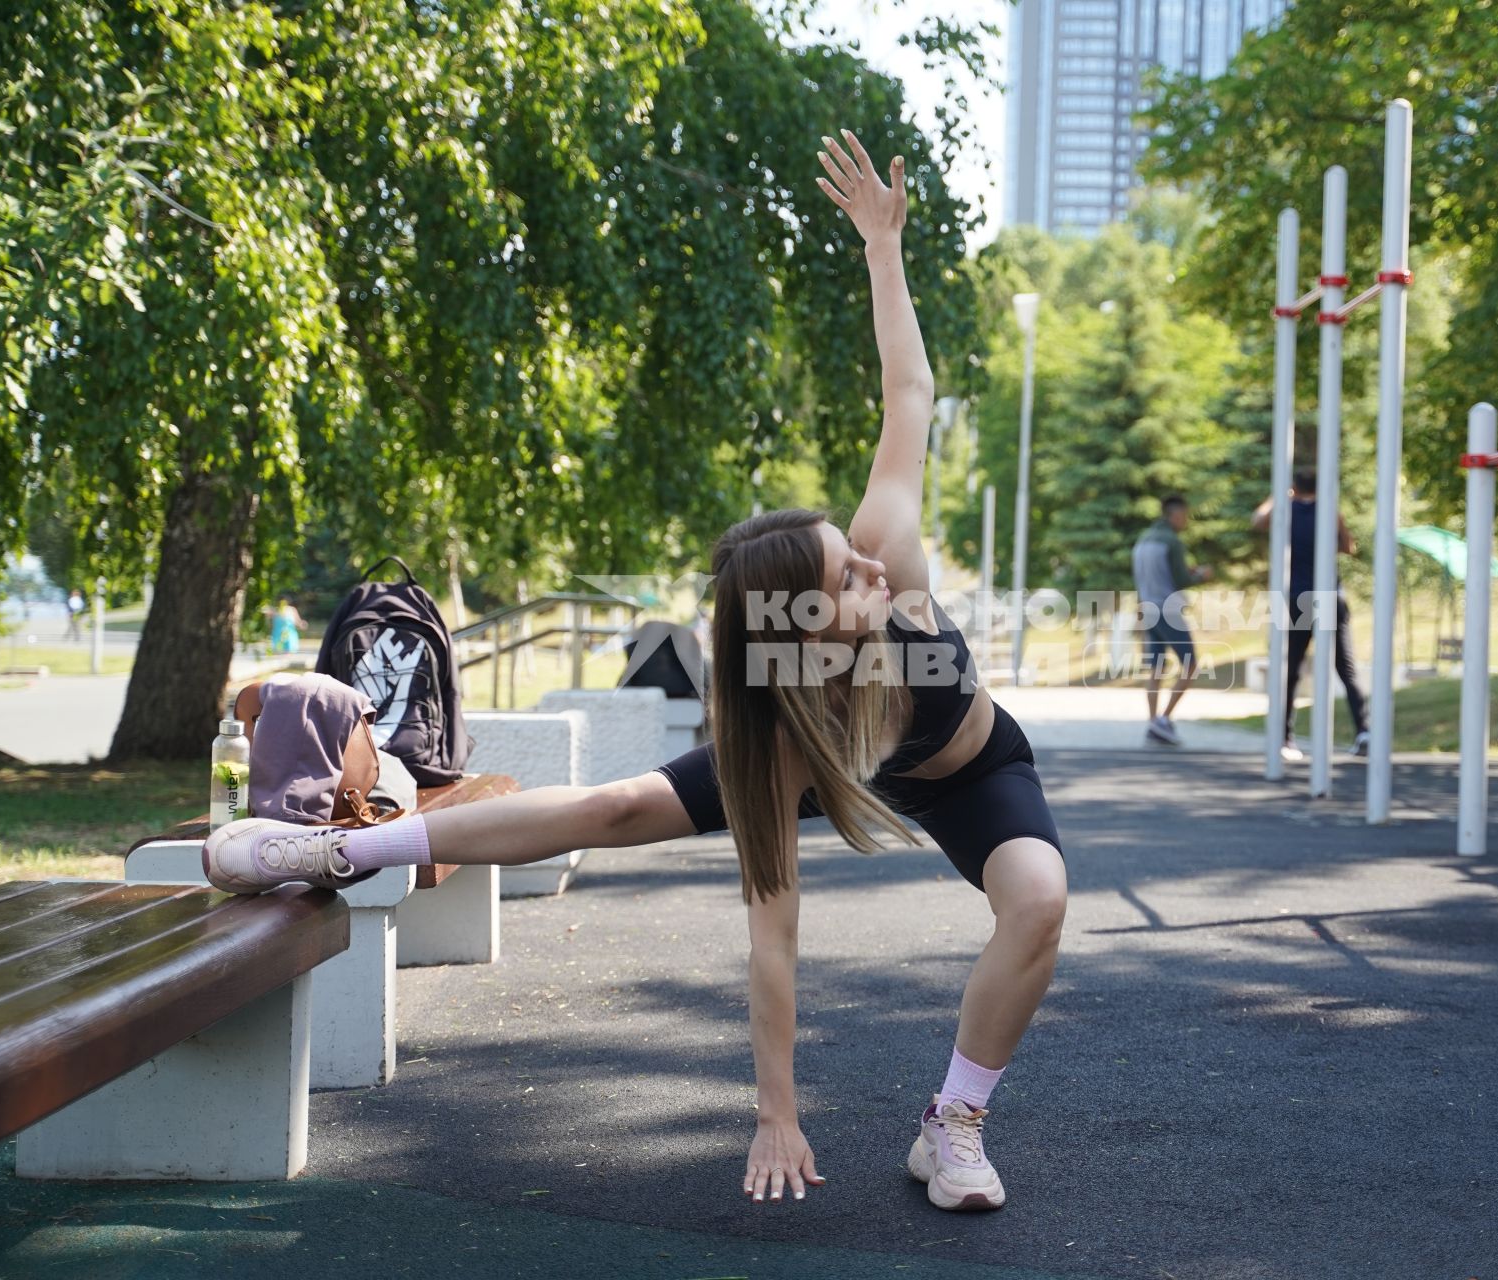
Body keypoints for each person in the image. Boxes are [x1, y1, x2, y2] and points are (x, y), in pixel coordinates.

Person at [202, 131, 1066, 1214]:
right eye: (846, 575)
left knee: (1037, 895)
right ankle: (339, 845)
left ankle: (953, 1125)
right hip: (823, 748)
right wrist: (776, 1108)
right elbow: (775, 939)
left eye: (855, 560)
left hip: (973, 770)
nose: (871, 568)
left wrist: (882, 251)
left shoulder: (893, 561)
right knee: (608, 806)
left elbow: (912, 393)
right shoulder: (781, 737)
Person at [1252, 468, 1369, 762]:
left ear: (1294, 487)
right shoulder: (1330, 511)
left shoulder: (1285, 511)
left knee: (1291, 669)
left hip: (1297, 598)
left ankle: (1285, 737)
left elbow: (1258, 521)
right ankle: (1364, 731)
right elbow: (1349, 546)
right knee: (1346, 667)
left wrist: (1277, 497)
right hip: (1329, 595)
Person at [1131, 494, 1211, 745]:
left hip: (1148, 608)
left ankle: (1153, 722)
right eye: (1185, 516)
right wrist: (1202, 575)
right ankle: (1164, 719)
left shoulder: (1143, 540)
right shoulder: (1172, 542)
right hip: (1168, 610)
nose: (1186, 521)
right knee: (1190, 665)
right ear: (1175, 515)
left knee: (1156, 668)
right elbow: (1181, 580)